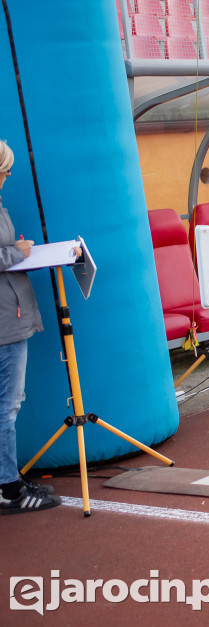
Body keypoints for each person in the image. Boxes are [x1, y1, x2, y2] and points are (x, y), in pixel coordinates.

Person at [0, 139, 61, 514]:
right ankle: (9, 489)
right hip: (6, 323)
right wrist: (16, 253)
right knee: (7, 407)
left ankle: (8, 478)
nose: (8, 175)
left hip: (10, 317)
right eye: (5, 168)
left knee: (7, 405)